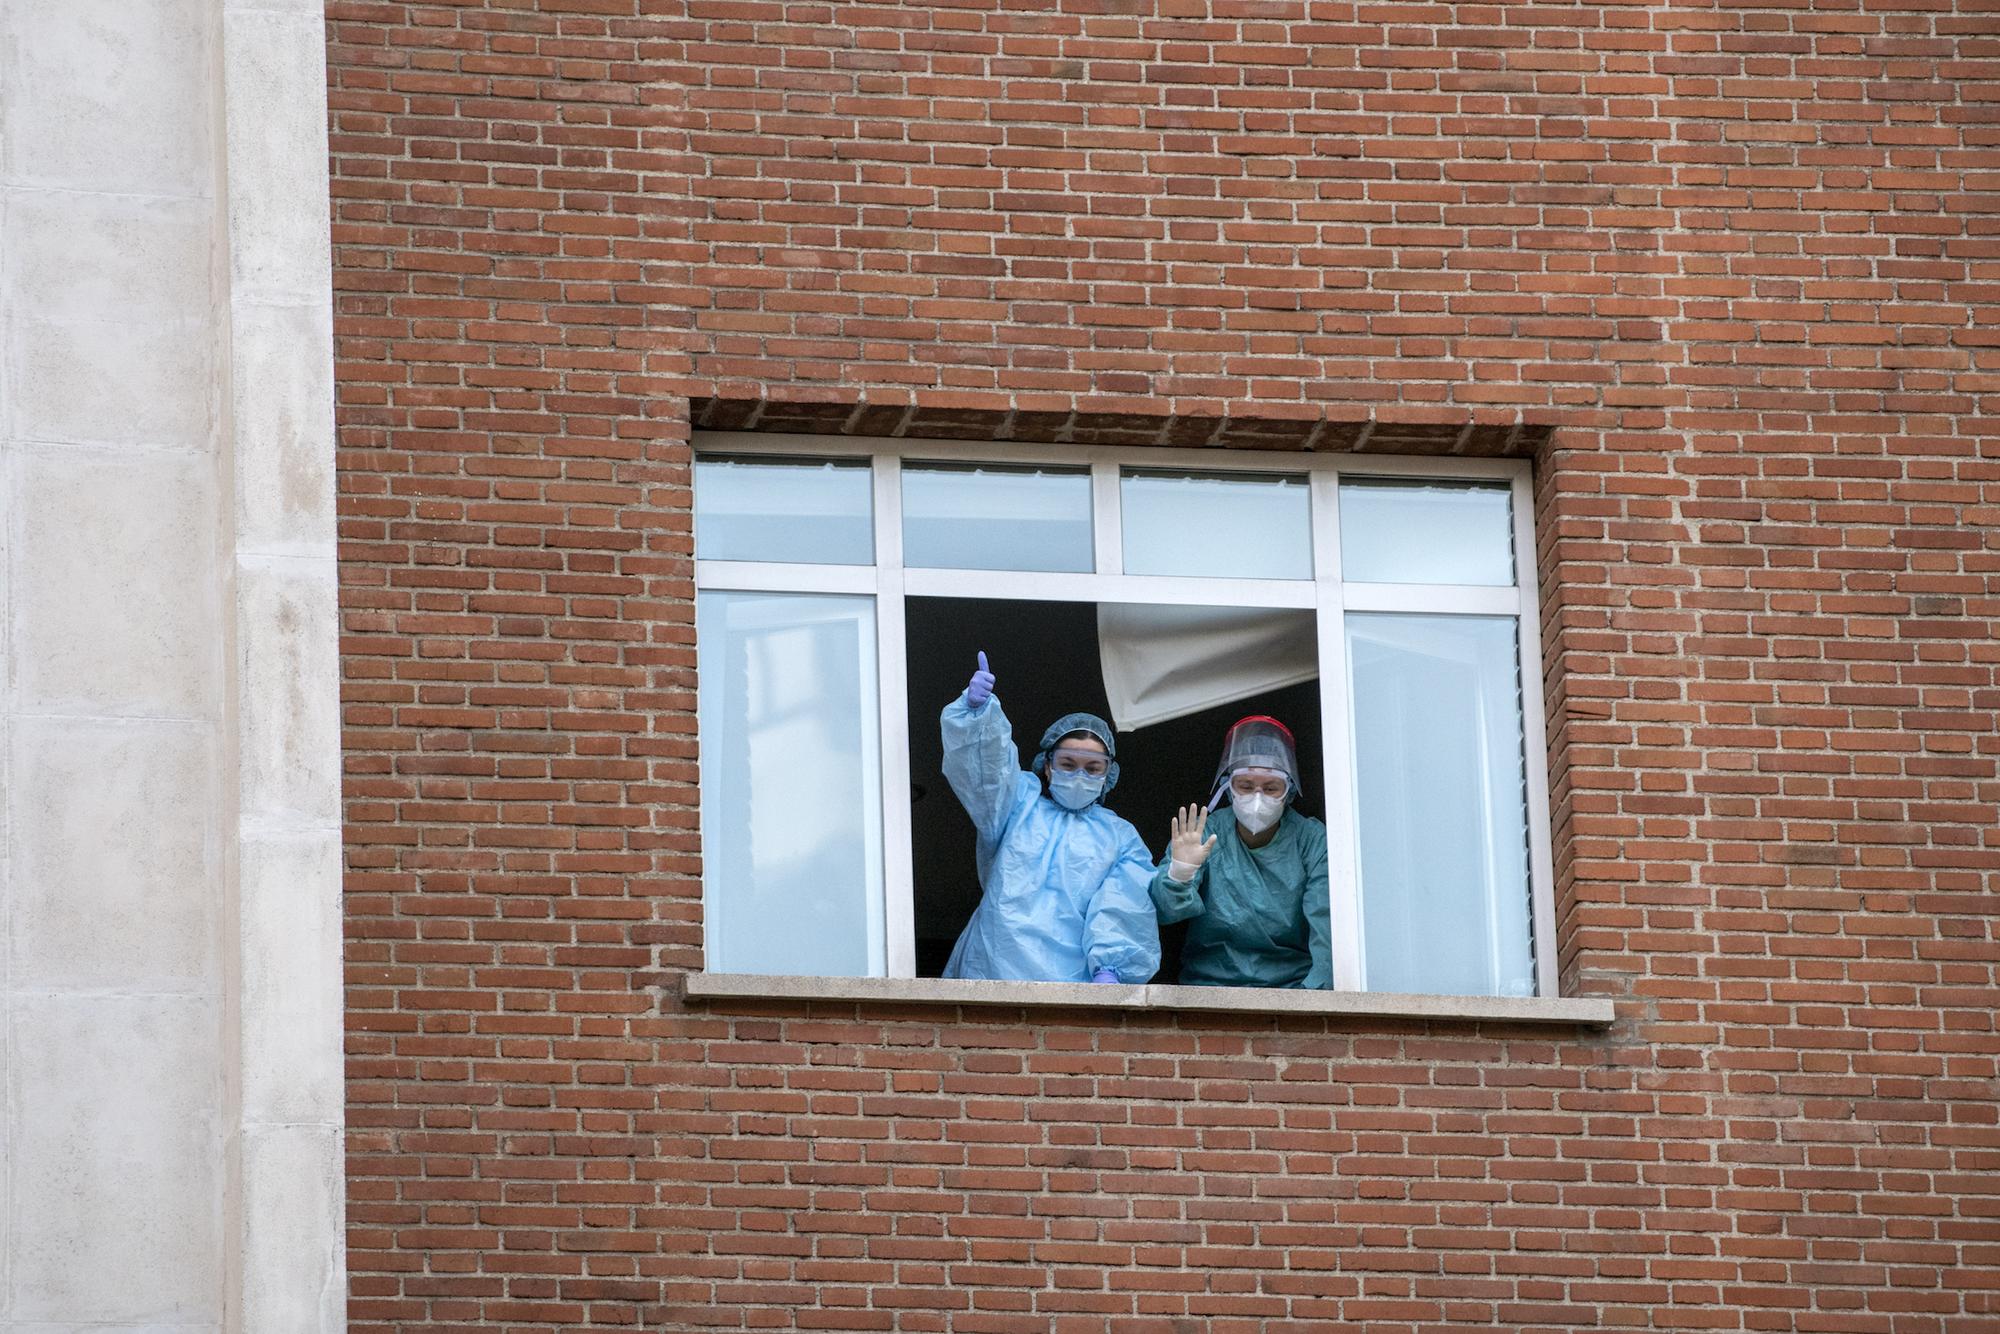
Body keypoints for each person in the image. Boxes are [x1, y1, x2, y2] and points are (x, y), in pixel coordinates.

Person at [939, 652, 1161, 985]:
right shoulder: (1016, 804)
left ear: (1108, 775)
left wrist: (1111, 967)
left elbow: (1124, 901)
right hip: (994, 969)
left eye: (1092, 768)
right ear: (1047, 765)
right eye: (1068, 764)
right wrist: (976, 718)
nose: (1080, 774)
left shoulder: (1120, 837)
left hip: (1074, 986)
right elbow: (987, 773)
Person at [1150, 715, 1331, 989]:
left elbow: (1327, 926)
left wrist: (1314, 999)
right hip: (1209, 987)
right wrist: (1179, 874)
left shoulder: (1311, 840)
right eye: (1245, 786)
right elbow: (1165, 912)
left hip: (1292, 988)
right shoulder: (1205, 831)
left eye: (1271, 788)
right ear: (1228, 788)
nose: (1257, 798)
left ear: (1289, 791)